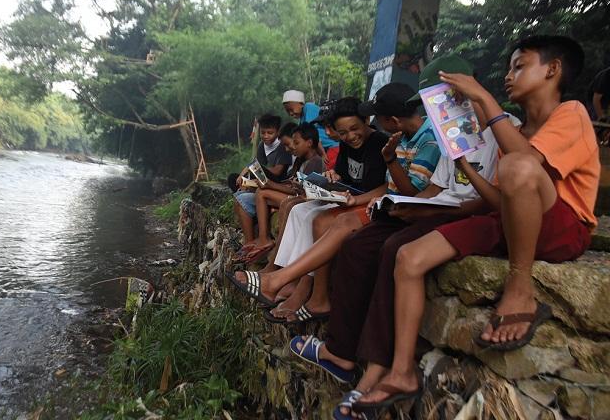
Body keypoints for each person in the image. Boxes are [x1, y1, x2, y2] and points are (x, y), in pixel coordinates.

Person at [355, 35, 599, 411]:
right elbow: (504, 201)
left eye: (520, 66)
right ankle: (401, 370)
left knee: (517, 164)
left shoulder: (571, 114)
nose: (509, 76)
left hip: (564, 230)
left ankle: (520, 289)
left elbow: (525, 166)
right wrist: (465, 164)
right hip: (509, 222)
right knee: (409, 256)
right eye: (508, 68)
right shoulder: (514, 135)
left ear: (553, 70)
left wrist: (485, 100)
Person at [285, 55, 517, 416]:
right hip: (439, 207)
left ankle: (375, 371)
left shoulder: (505, 131)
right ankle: (341, 351)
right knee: (359, 245)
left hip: (468, 215)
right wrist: (406, 204)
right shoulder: (453, 132)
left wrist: (431, 200)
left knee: (394, 249)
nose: (441, 109)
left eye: (446, 97)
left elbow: (493, 202)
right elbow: (437, 189)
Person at [229, 86, 441, 322]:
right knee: (299, 210)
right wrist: (333, 181)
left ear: (377, 121)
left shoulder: (395, 143)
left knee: (321, 220)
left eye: (355, 129)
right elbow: (361, 179)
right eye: (342, 132)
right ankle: (284, 277)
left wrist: (379, 171)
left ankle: (299, 288)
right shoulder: (399, 140)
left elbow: (399, 188)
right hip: (366, 201)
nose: (349, 136)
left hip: (383, 205)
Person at [240, 123, 325, 262]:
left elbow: (303, 192)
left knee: (262, 193)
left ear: (309, 143)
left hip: (302, 199)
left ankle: (264, 238)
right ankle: (262, 238)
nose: (293, 147)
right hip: (295, 194)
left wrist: (271, 185)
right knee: (262, 191)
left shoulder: (315, 162)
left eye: (296, 143)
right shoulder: (301, 160)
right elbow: (293, 184)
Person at [232, 114, 293, 243]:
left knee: (256, 171)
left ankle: (250, 187)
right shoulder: (261, 145)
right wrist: (243, 174)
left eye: (270, 133)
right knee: (234, 179)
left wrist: (255, 172)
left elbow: (277, 171)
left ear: (277, 132)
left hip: (276, 180)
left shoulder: (282, 147)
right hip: (262, 178)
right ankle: (249, 241)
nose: (265, 136)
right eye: (263, 132)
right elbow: (254, 163)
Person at [282, 90, 341, 169]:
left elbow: (313, 133)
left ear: (301, 103)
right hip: (324, 149)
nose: (290, 113)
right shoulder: (301, 120)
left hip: (332, 146)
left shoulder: (308, 107)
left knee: (327, 171)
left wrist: (322, 154)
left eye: (291, 109)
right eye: (287, 111)